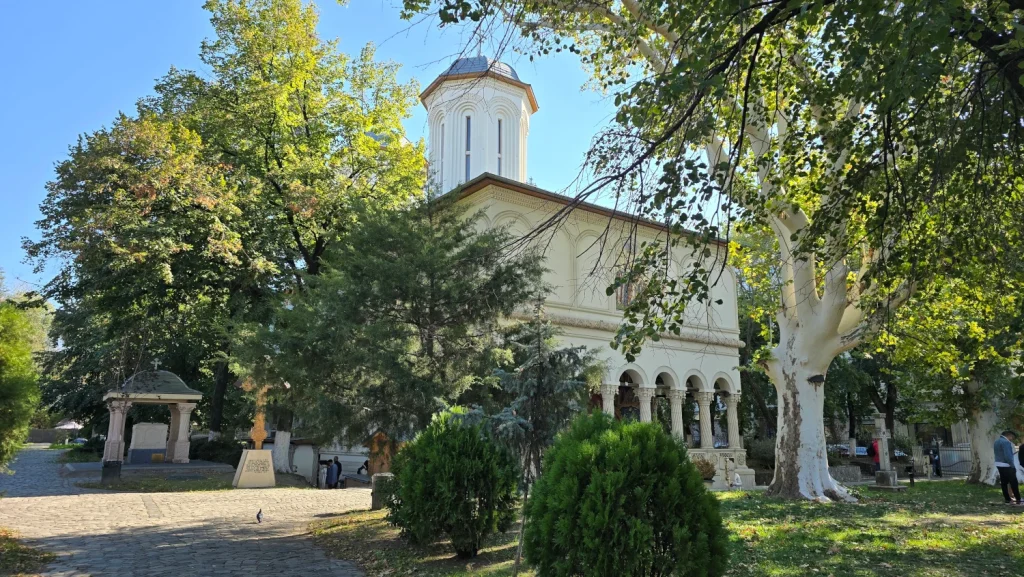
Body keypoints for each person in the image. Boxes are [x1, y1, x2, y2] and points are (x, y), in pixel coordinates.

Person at [994, 430, 1021, 505]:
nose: (1012, 439)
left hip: (999, 464)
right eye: (1012, 437)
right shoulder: (1006, 442)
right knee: (1014, 482)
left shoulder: (996, 441)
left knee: (1004, 483)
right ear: (1008, 435)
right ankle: (1018, 499)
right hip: (1007, 465)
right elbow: (1008, 456)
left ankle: (1007, 499)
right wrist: (1012, 465)